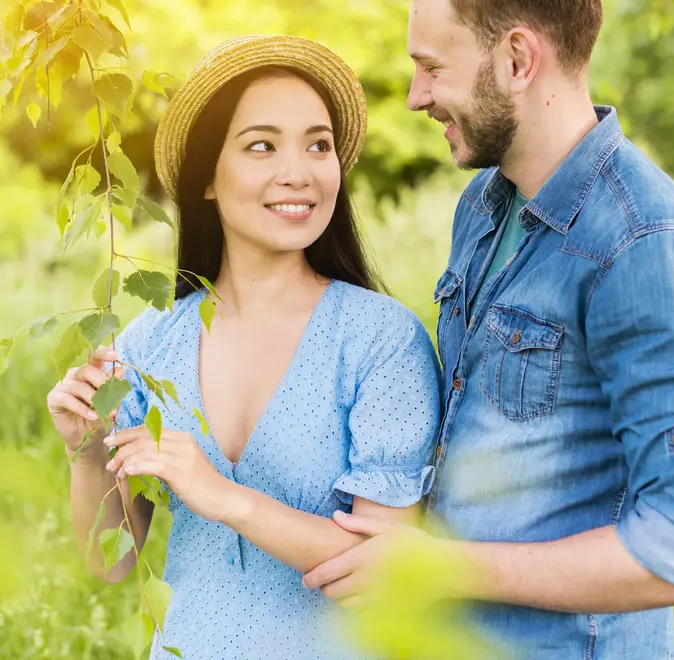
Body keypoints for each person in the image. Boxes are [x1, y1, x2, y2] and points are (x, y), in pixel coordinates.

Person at [299, 0, 674, 658]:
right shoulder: (483, 207)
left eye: (434, 67)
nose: (416, 96)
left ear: (519, 59)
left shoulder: (648, 248)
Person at [46, 35, 442, 660]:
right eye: (262, 145)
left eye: (318, 145)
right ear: (206, 179)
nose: (300, 171)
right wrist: (87, 450)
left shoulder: (381, 340)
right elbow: (112, 562)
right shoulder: (150, 341)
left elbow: (388, 570)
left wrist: (224, 497)